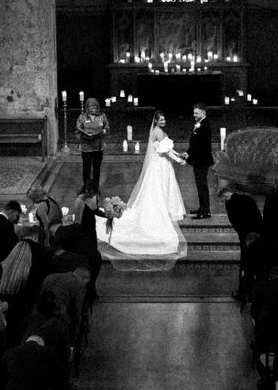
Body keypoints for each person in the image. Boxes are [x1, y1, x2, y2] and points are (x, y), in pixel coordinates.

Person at [97, 111, 187, 266]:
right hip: (160, 165)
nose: (163, 121)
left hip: (162, 164)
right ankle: (162, 209)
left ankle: (166, 208)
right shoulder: (158, 131)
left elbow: (168, 148)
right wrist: (179, 161)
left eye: (164, 119)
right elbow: (165, 151)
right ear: (156, 121)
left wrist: (179, 155)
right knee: (159, 188)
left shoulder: (160, 131)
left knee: (164, 188)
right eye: (161, 119)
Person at [0, 335, 65, 390]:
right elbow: (58, 380)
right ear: (41, 344)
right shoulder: (49, 352)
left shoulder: (8, 353)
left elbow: (0, 380)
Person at [182, 103, 214, 219]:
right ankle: (202, 208)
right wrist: (188, 152)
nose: (194, 115)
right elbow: (194, 142)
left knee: (202, 185)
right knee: (200, 185)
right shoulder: (200, 123)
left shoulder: (205, 125)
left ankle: (205, 211)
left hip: (202, 160)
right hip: (199, 159)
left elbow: (201, 147)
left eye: (196, 113)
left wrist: (189, 159)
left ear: (203, 113)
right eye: (193, 113)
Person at [75, 96, 109, 189]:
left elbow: (107, 127)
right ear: (87, 108)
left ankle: (96, 188)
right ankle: (86, 188)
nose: (94, 109)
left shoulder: (102, 116)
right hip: (86, 146)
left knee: (96, 169)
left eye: (95, 107)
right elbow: (77, 131)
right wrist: (84, 136)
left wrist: (104, 131)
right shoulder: (82, 117)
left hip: (98, 146)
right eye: (91, 107)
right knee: (87, 168)